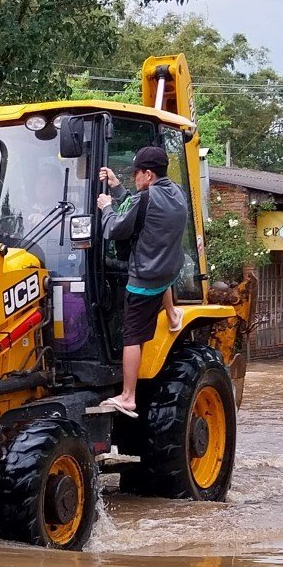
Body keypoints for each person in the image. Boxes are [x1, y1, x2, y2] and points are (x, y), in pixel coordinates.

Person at [93, 145, 190, 415]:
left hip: (145, 278)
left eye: (136, 173)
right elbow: (141, 209)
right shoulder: (177, 193)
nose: (134, 178)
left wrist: (107, 207)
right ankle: (172, 314)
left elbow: (115, 229)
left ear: (147, 174)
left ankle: (127, 396)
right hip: (168, 270)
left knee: (131, 336)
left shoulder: (144, 199)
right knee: (163, 275)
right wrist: (117, 187)